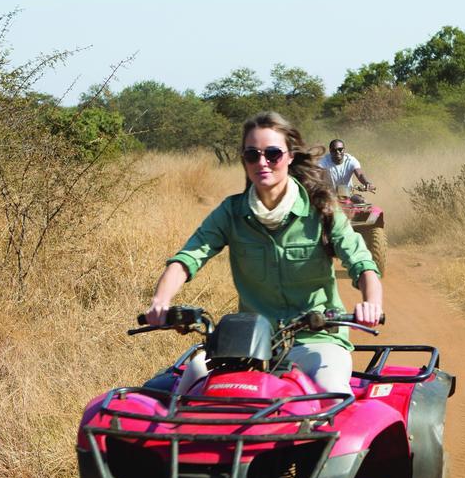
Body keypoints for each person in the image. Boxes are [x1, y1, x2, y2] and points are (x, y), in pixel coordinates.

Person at [144, 112, 383, 394]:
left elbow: (361, 262)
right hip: (251, 343)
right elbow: (188, 258)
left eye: (272, 154)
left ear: (290, 156)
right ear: (243, 159)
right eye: (252, 155)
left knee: (333, 398)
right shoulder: (231, 212)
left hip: (317, 340)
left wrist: (372, 303)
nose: (262, 163)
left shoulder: (322, 211)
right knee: (189, 391)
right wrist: (161, 301)